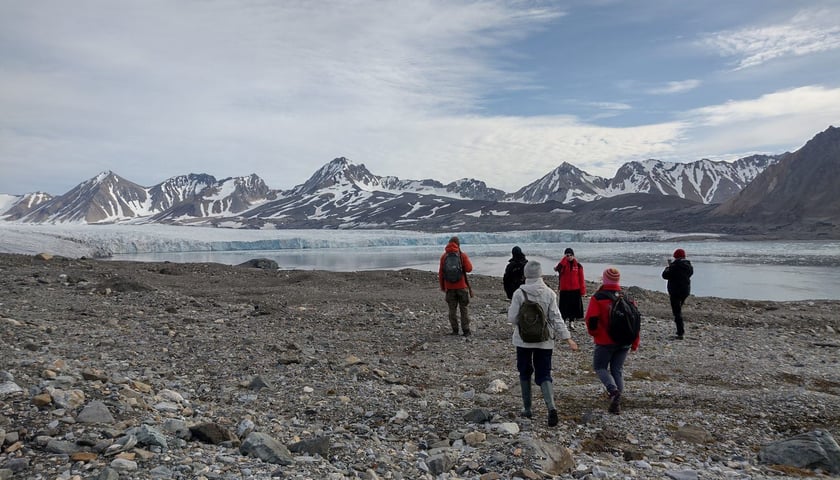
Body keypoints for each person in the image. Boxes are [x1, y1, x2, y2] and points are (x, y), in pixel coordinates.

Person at [508, 261, 579, 426]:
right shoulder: (549, 293)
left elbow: (512, 318)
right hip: (544, 341)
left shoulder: (519, 293)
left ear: (525, 274)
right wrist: (568, 338)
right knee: (544, 373)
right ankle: (551, 408)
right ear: (541, 274)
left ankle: (527, 409)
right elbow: (556, 318)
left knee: (525, 372)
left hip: (523, 340)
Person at [585, 268, 640, 415]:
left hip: (605, 341)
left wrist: (594, 334)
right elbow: (635, 321)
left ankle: (613, 391)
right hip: (625, 341)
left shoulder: (598, 297)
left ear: (604, 279)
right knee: (617, 369)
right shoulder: (627, 297)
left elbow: (591, 319)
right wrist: (635, 342)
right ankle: (616, 402)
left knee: (600, 367)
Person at [439, 236, 474, 336]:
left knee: (452, 310)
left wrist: (443, 287)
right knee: (463, 309)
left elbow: (441, 273)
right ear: (458, 244)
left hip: (449, 288)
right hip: (461, 287)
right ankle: (466, 330)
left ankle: (455, 330)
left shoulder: (444, 256)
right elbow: (469, 269)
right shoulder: (462, 255)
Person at [662, 248, 694, 339]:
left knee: (677, 312)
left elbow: (665, 276)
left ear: (675, 256)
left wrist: (667, 268)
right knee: (678, 310)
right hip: (685, 291)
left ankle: (680, 332)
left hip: (675, 291)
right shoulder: (689, 266)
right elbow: (689, 274)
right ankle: (680, 330)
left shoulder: (674, 266)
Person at [554, 247, 586, 331]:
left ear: (573, 255)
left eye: (570, 255)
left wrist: (582, 291)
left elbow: (581, 279)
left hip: (575, 289)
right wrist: (563, 260)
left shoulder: (578, 266)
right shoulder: (562, 265)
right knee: (563, 307)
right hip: (565, 289)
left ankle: (571, 322)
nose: (569, 257)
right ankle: (563, 322)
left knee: (573, 307)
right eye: (567, 255)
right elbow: (557, 269)